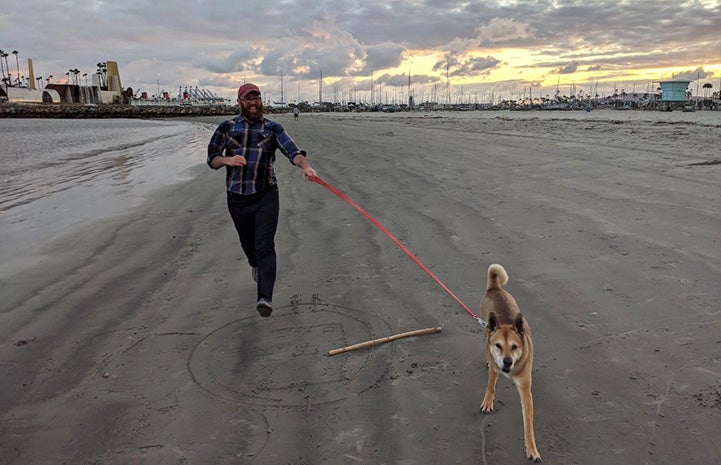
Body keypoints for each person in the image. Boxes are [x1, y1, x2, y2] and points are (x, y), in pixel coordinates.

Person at [207, 83, 317, 317]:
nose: (254, 103)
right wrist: (227, 161)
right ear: (240, 102)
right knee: (250, 247)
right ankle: (255, 265)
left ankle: (264, 298)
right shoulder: (227, 127)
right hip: (237, 197)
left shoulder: (273, 128)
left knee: (265, 245)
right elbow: (212, 158)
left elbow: (293, 152)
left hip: (266, 194)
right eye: (248, 99)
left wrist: (305, 167)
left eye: (256, 98)